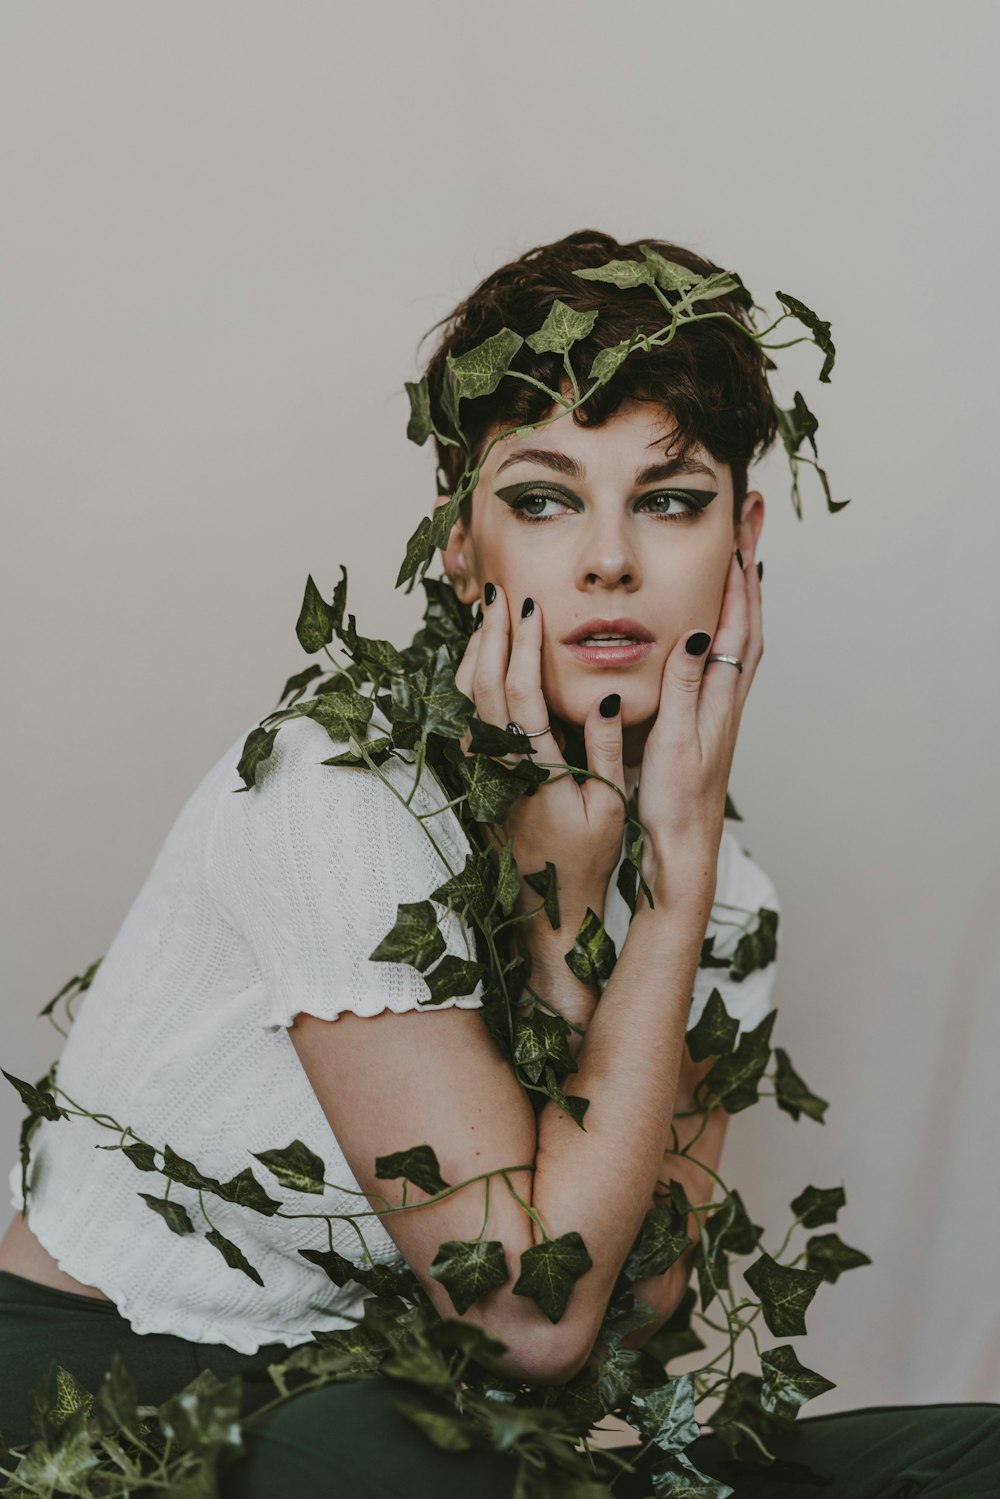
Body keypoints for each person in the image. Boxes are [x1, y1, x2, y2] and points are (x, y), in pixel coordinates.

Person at [1, 230, 997, 1498]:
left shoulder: (722, 891)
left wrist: (653, 902)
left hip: (423, 1427)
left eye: (669, 498)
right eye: (541, 497)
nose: (606, 560)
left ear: (744, 537)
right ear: (460, 543)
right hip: (118, 1383)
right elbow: (529, 1323)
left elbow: (628, 1322)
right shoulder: (337, 789)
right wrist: (568, 910)